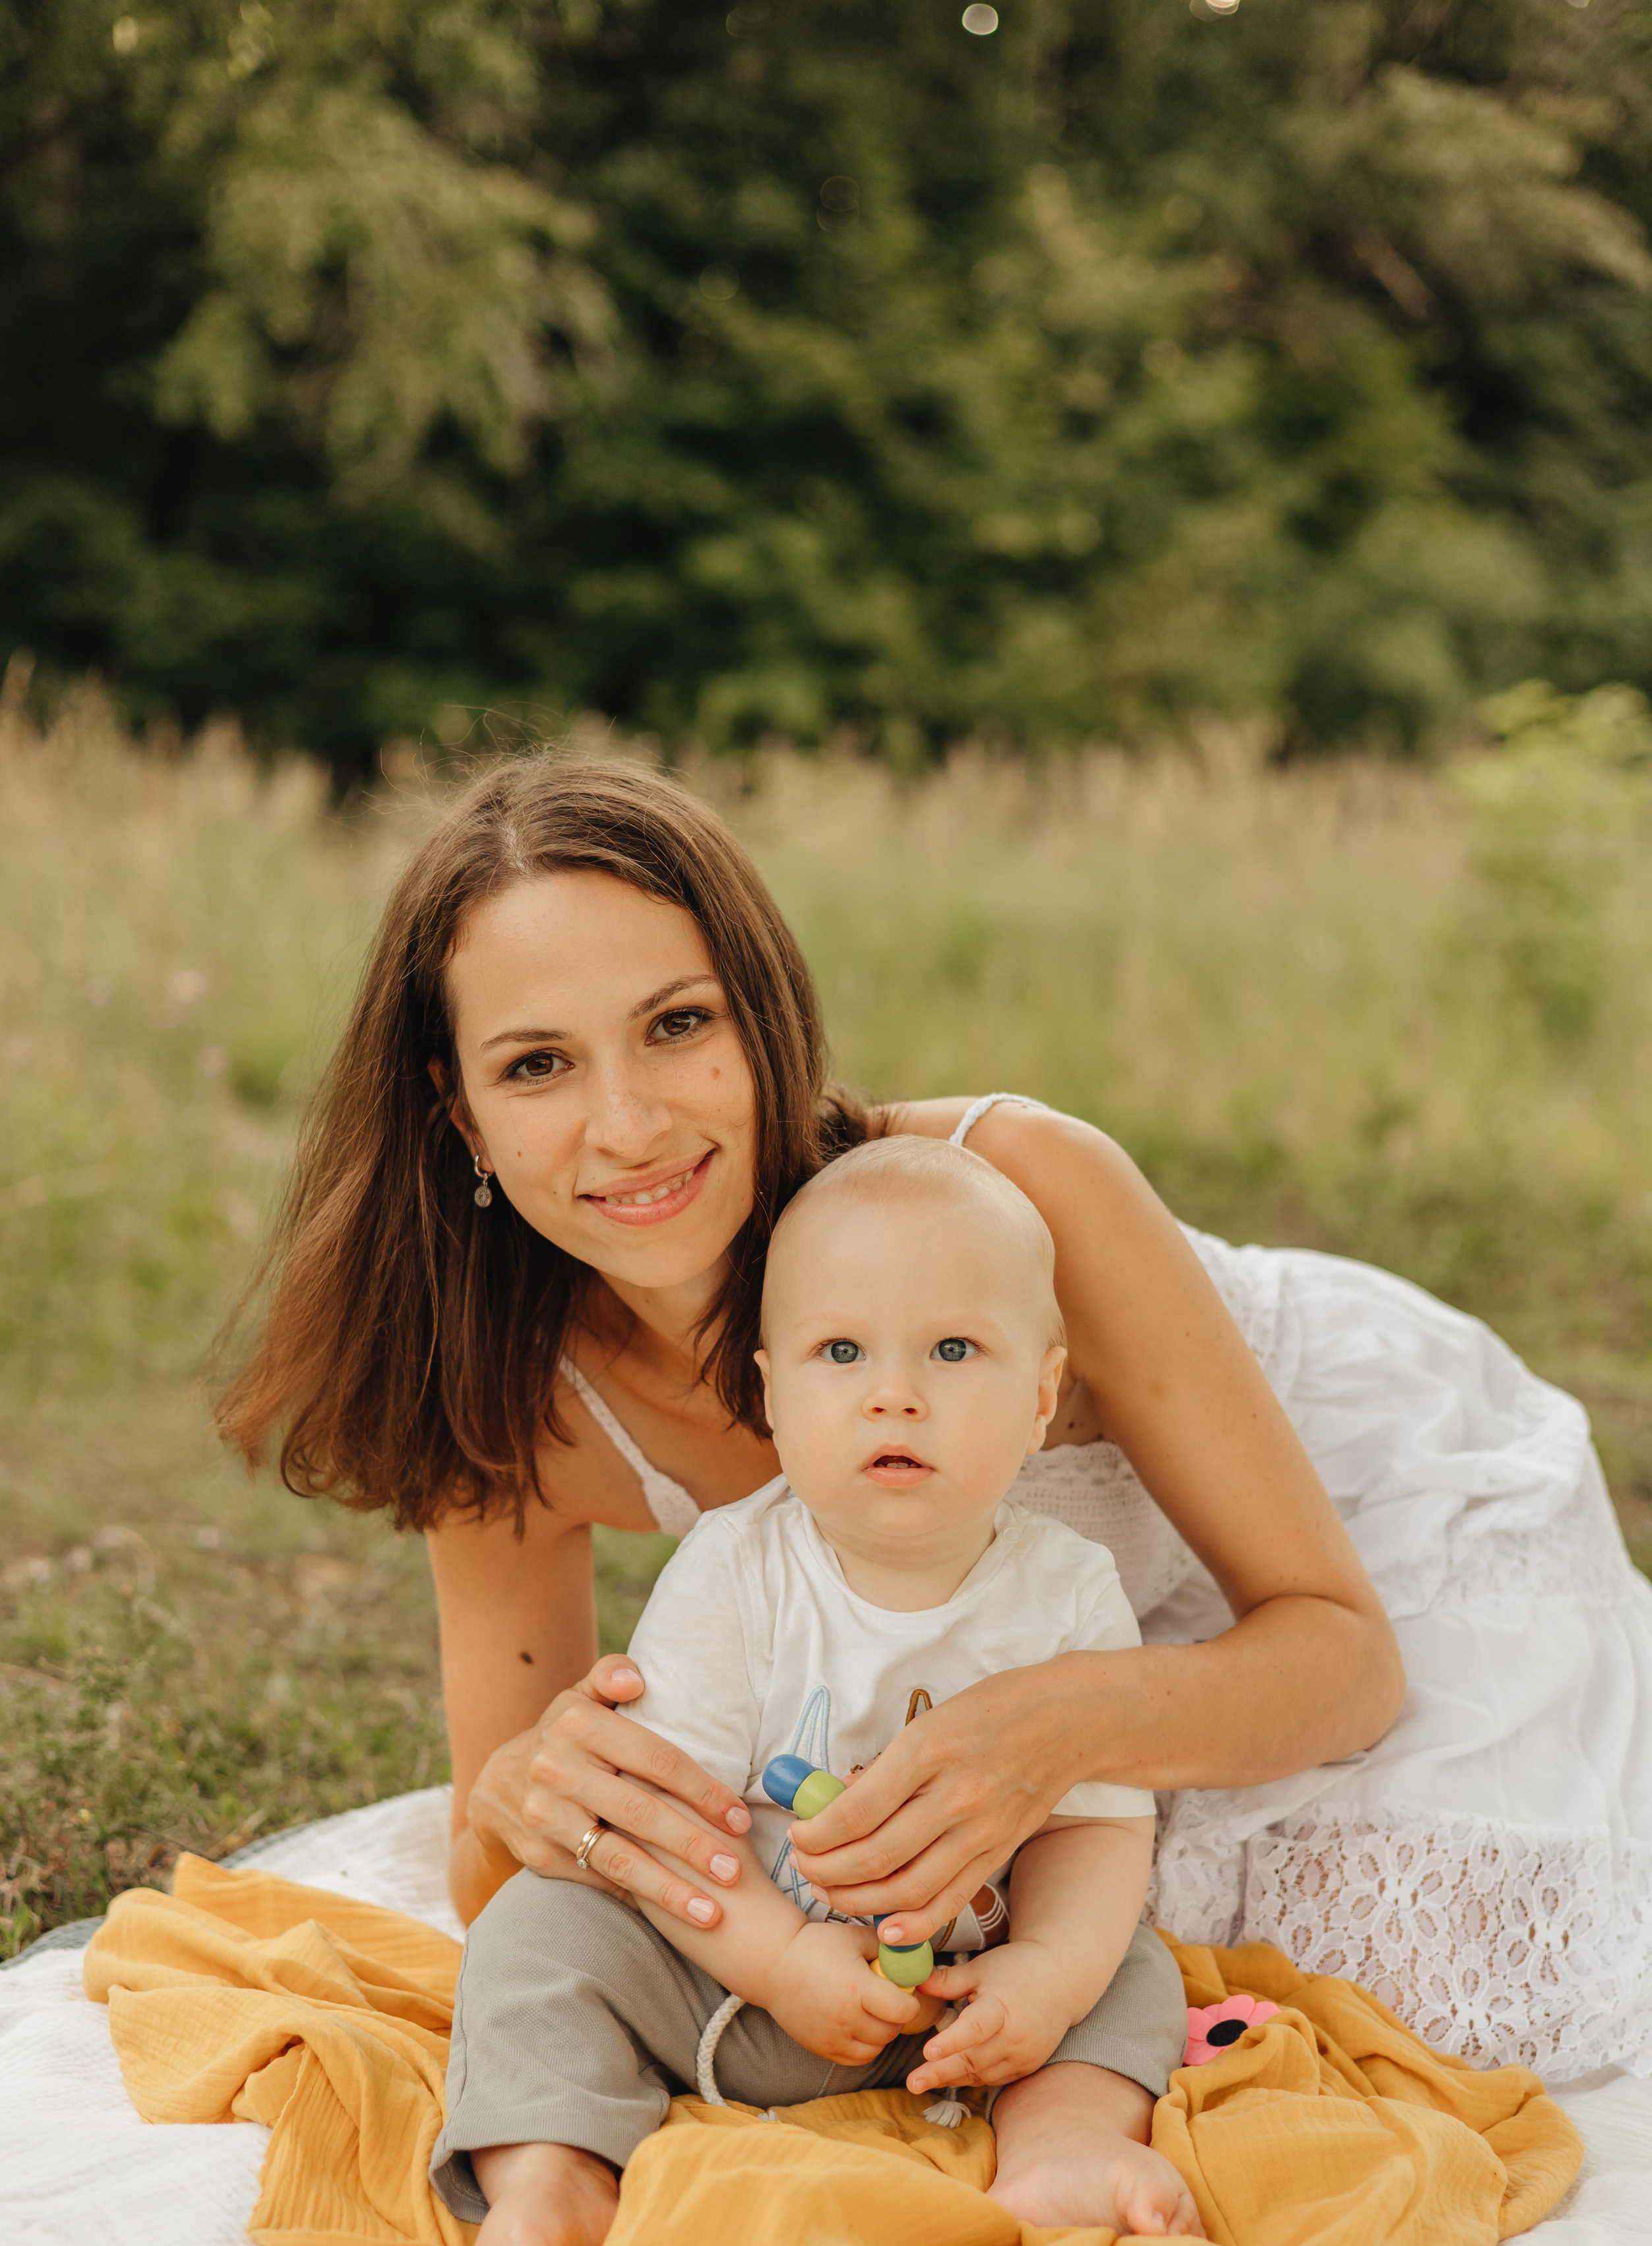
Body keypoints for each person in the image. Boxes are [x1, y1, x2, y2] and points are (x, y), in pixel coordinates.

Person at [218, 751, 1652, 2147]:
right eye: (538, 1065)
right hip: (1028, 1649)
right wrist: (533, 1793)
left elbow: (1344, 1666)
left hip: (1349, 1520)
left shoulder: (1017, 1184)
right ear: (458, 1112)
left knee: (1403, 1987)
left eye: (676, 1025)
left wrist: (1062, 1725)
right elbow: (496, 1870)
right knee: (981, 1953)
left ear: (764, 1013)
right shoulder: (508, 1397)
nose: (628, 1124)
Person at [431, 1135, 1199, 2246]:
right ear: (773, 1395)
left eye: (953, 1348)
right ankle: (557, 2164)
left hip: (961, 1998)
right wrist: (785, 1961)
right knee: (537, 1938)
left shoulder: (1068, 1589)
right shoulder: (737, 1569)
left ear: (1040, 1397)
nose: (896, 1390)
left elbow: (1096, 1828)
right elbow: (666, 1830)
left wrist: (1041, 1979)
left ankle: (1062, 2146)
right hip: (725, 1968)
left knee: (1132, 1970)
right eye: (841, 1351)